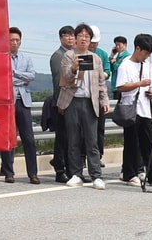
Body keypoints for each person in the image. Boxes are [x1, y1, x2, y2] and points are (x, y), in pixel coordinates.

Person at [57, 23, 110, 189]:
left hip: (90, 101)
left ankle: (96, 175)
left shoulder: (96, 58)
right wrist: (74, 67)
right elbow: (65, 76)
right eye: (81, 36)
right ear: (76, 38)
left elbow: (101, 82)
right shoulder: (69, 56)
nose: (84, 39)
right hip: (73, 101)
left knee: (92, 141)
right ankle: (76, 173)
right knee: (73, 140)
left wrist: (105, 100)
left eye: (87, 37)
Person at [115, 33, 152, 187]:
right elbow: (120, 87)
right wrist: (139, 84)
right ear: (138, 49)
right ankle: (129, 174)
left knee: (148, 142)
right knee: (131, 143)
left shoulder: (146, 64)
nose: (146, 56)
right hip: (131, 108)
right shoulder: (125, 65)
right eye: (145, 53)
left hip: (146, 107)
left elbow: (151, 84)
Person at [3, 27, 40, 184]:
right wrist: (21, 79)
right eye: (12, 40)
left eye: (17, 40)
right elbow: (3, 78)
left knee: (28, 139)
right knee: (9, 138)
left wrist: (16, 74)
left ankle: (32, 173)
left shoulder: (26, 58)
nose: (15, 42)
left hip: (23, 101)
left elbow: (32, 75)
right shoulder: (2, 58)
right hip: (8, 101)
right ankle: (8, 173)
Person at [48, 25, 75, 183]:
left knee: (71, 138)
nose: (70, 38)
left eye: (72, 35)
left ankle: (71, 169)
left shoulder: (75, 55)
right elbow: (60, 81)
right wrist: (61, 103)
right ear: (61, 38)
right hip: (62, 103)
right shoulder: (58, 56)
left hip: (74, 103)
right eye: (67, 36)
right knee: (62, 138)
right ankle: (60, 169)